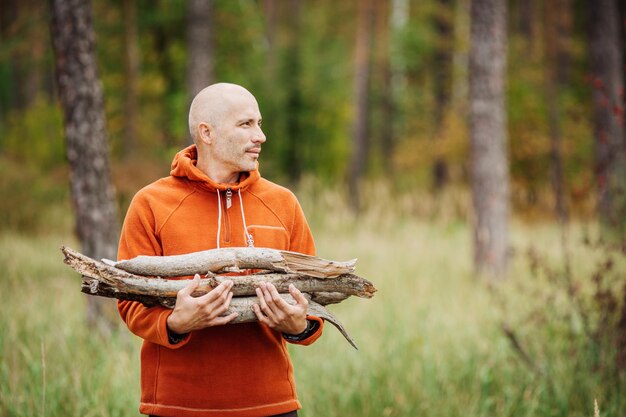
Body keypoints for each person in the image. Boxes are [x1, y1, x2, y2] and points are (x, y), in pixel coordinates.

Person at [117, 82, 324, 417]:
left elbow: (314, 301)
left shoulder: (282, 203)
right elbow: (128, 302)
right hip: (175, 407)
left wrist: (299, 325)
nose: (261, 136)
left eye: (259, 124)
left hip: (272, 405)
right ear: (207, 133)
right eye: (246, 125)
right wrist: (175, 323)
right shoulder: (151, 203)